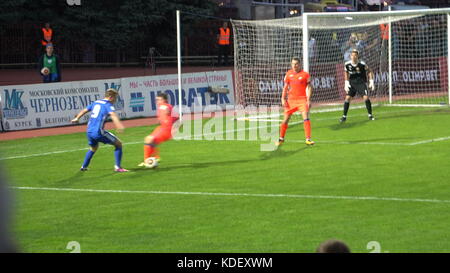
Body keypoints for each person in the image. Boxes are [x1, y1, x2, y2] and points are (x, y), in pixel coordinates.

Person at [71, 88, 128, 172]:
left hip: (89, 131)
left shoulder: (96, 102)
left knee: (93, 148)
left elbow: (85, 110)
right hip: (98, 132)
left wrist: (77, 118)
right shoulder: (108, 105)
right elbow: (113, 115)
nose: (115, 101)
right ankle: (118, 167)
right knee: (118, 144)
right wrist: (119, 125)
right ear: (111, 97)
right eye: (115, 98)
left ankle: (84, 167)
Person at [276, 58, 314, 147]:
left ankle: (308, 139)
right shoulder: (288, 74)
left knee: (305, 117)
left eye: (296, 64)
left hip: (302, 100)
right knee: (285, 119)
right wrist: (282, 98)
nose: (294, 66)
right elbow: (285, 87)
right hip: (291, 100)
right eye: (293, 64)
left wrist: (308, 99)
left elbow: (309, 87)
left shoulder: (305, 75)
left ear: (299, 64)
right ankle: (281, 139)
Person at [139, 93, 178, 168]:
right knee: (150, 140)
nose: (157, 101)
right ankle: (155, 158)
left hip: (167, 129)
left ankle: (148, 160)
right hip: (162, 127)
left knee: (149, 139)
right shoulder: (162, 107)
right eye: (156, 99)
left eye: (159, 99)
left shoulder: (164, 106)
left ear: (164, 100)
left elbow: (167, 110)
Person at [340, 49, 375, 123]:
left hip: (361, 83)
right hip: (352, 83)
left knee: (366, 97)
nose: (353, 57)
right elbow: (346, 72)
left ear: (357, 56)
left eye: (355, 55)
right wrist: (346, 83)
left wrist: (371, 81)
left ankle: (370, 115)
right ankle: (344, 117)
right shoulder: (347, 64)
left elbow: (370, 71)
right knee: (347, 98)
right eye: (352, 55)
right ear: (350, 56)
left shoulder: (362, 64)